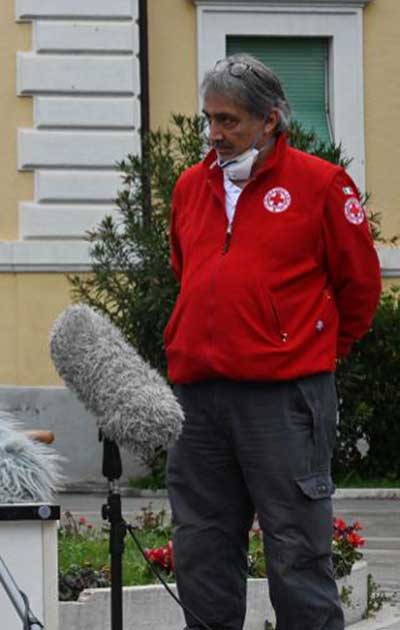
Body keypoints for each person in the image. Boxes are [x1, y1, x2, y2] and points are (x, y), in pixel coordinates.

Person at [166, 54, 381, 630]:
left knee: (296, 550)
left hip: (285, 398)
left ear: (270, 120)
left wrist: (310, 350)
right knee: (201, 547)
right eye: (209, 119)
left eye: (229, 120)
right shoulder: (190, 186)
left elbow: (360, 287)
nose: (215, 134)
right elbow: (186, 269)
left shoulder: (321, 184)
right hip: (198, 399)